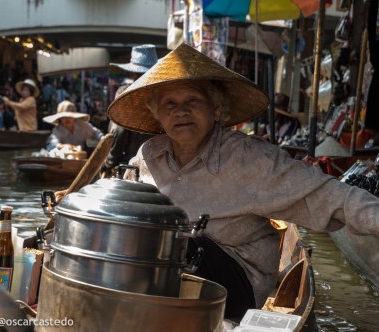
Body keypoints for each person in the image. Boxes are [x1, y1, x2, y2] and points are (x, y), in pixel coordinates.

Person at [107, 43, 379, 321]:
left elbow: (331, 196)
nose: (181, 112)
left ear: (215, 107)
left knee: (175, 239)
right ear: (157, 113)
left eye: (193, 101)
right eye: (170, 104)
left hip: (232, 290)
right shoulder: (147, 156)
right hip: (161, 282)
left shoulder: (250, 159)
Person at [105, 44, 158, 173]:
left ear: (132, 73)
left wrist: (109, 163)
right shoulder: (163, 93)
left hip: (131, 165)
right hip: (161, 163)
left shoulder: (125, 93)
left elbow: (118, 131)